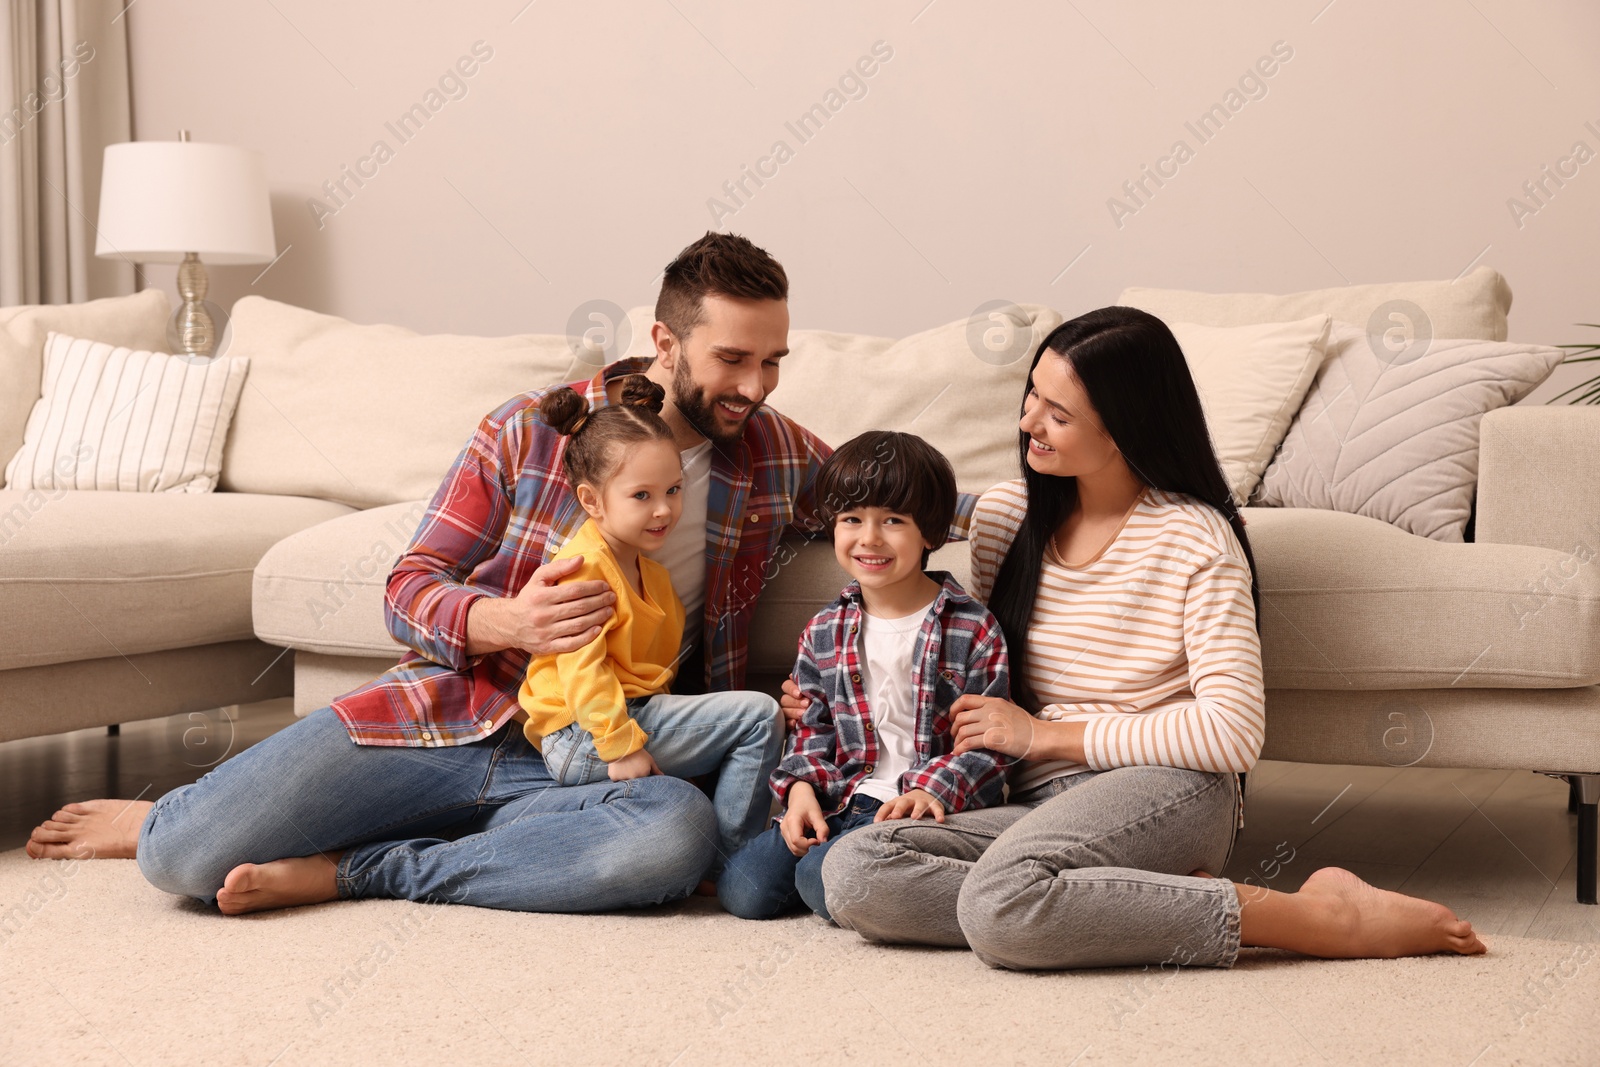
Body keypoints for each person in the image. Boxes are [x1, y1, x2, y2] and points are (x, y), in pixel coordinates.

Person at [27, 232, 924, 917]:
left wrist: (1012, 508)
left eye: (773, 361)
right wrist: (507, 623)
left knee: (673, 842)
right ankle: (173, 814)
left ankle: (361, 867)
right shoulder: (532, 428)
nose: (756, 385)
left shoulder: (773, 454)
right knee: (181, 862)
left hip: (597, 752)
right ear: (665, 338)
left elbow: (896, 496)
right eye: (734, 358)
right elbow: (408, 585)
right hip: (450, 716)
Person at [802, 307, 1486, 968]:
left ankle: (1317, 916)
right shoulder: (1007, 518)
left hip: (1170, 789)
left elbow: (1232, 734)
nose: (1027, 422)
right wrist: (828, 686)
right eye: (1032, 395)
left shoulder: (1194, 537)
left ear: (1126, 430)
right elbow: (881, 523)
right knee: (857, 869)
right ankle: (1137, 894)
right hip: (1039, 800)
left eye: (1057, 414)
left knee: (1001, 903)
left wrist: (1043, 737)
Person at [718, 431, 1011, 921]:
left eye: (892, 521)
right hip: (843, 797)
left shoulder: (972, 628)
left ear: (931, 534)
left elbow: (989, 744)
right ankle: (833, 868)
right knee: (743, 891)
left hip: (922, 805)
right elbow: (812, 729)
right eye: (852, 519)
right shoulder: (824, 630)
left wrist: (928, 790)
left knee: (818, 880)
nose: (869, 538)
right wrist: (800, 794)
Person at [521, 374, 781, 865]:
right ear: (592, 500)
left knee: (734, 725)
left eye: (674, 489)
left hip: (615, 721)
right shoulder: (582, 568)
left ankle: (705, 839)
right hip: (585, 732)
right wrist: (619, 747)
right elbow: (583, 669)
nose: (664, 510)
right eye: (642, 496)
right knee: (759, 717)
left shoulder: (653, 576)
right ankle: (733, 860)